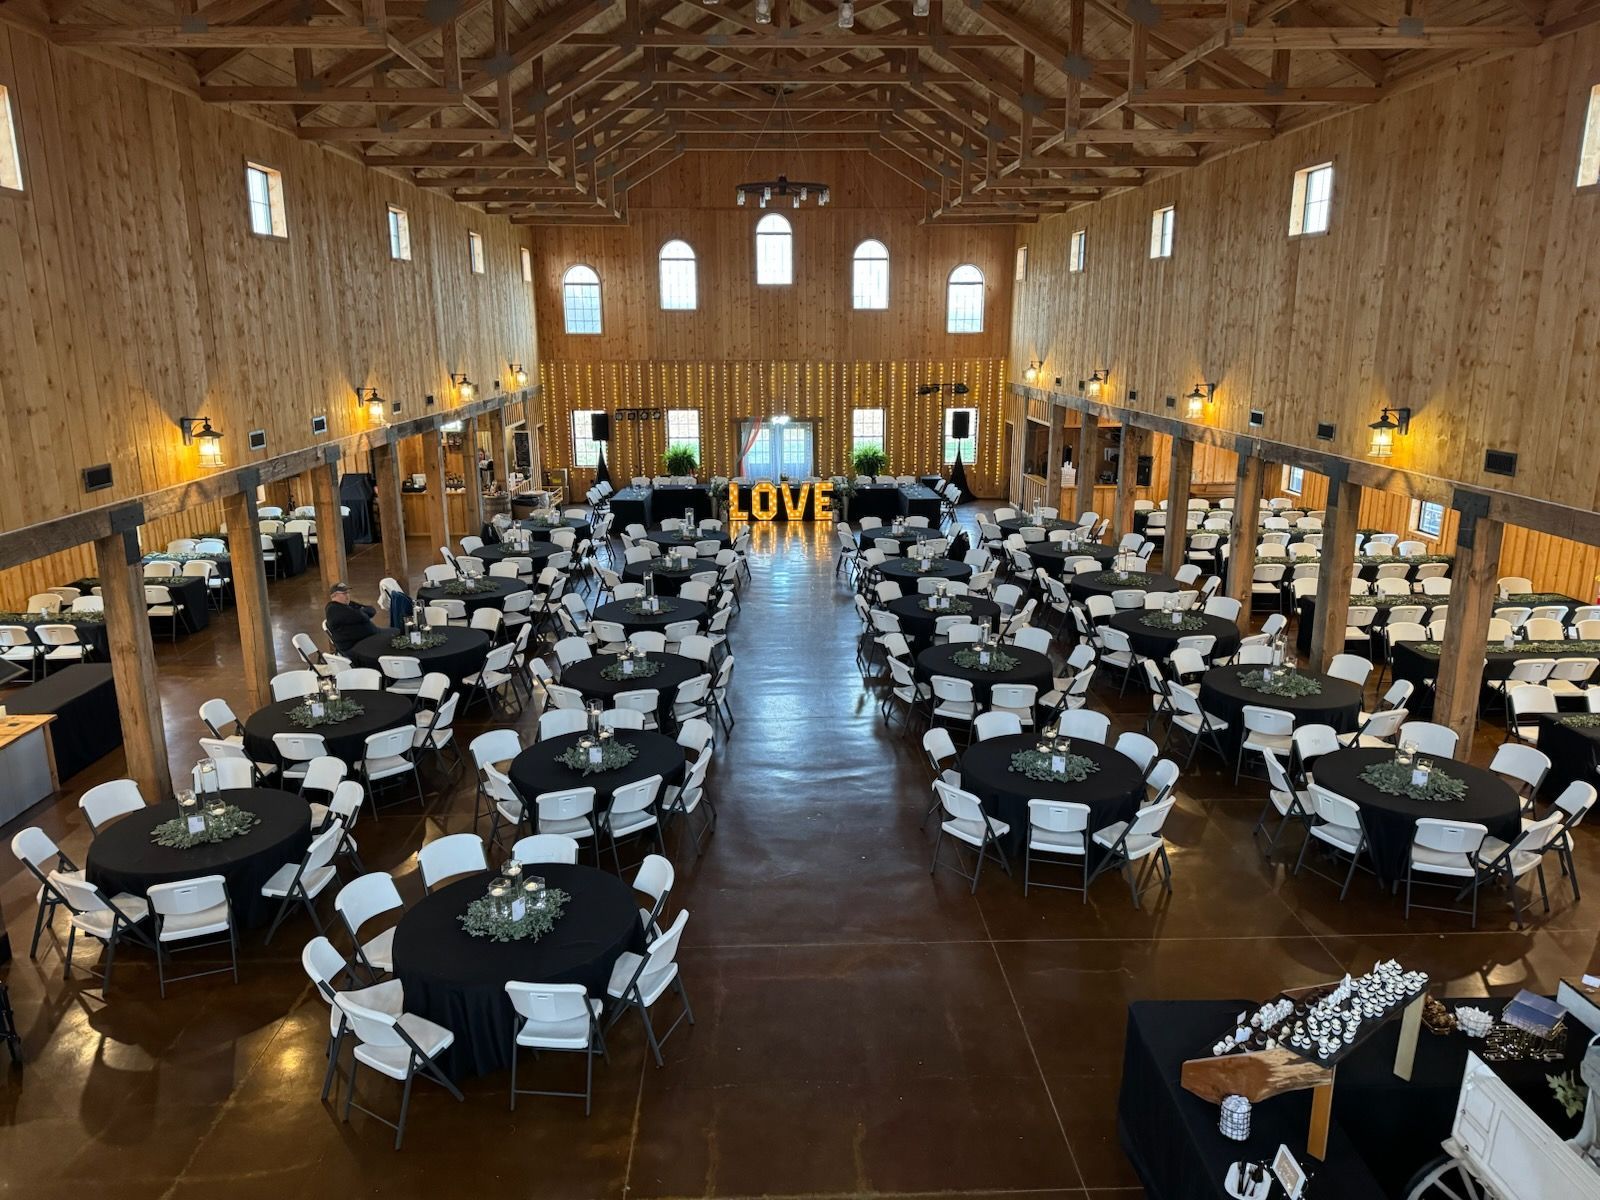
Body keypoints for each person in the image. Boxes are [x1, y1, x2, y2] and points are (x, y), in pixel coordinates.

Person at [324, 583, 380, 653]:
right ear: (334, 596)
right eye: (344, 593)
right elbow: (362, 617)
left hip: (367, 638)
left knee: (394, 632)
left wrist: (361, 612)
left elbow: (371, 610)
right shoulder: (333, 609)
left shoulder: (348, 604)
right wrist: (361, 611)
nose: (347, 596)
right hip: (354, 647)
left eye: (348, 593)